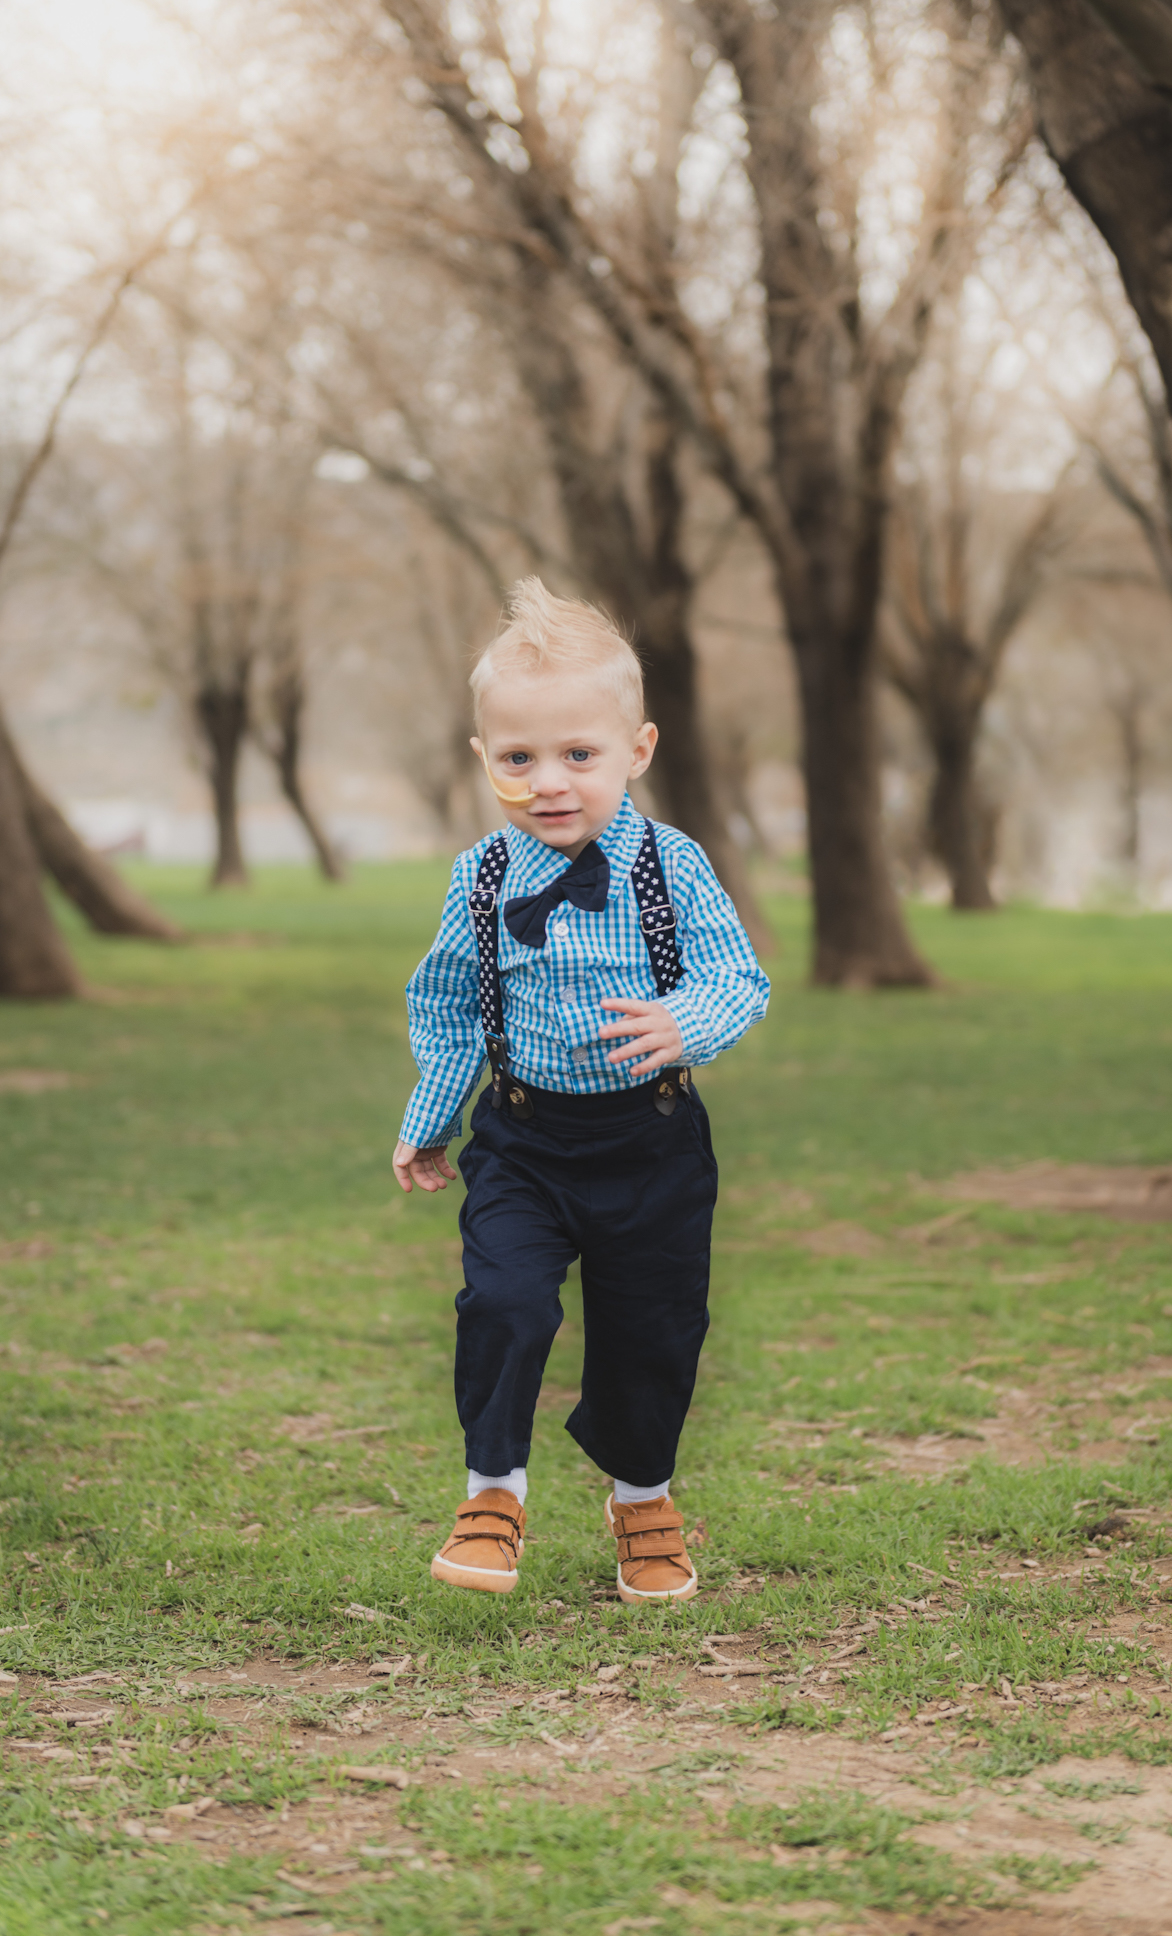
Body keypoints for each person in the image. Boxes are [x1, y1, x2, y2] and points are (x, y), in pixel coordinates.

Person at [393, 577, 770, 1603]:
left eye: (578, 754)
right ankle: (491, 1494)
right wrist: (429, 1120)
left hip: (650, 1144)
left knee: (653, 1328)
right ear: (486, 760)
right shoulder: (478, 878)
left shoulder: (673, 867)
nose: (549, 781)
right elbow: (449, 1005)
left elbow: (738, 975)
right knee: (504, 1301)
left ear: (636, 751)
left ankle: (642, 1496)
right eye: (518, 758)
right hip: (523, 1139)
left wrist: (683, 1020)